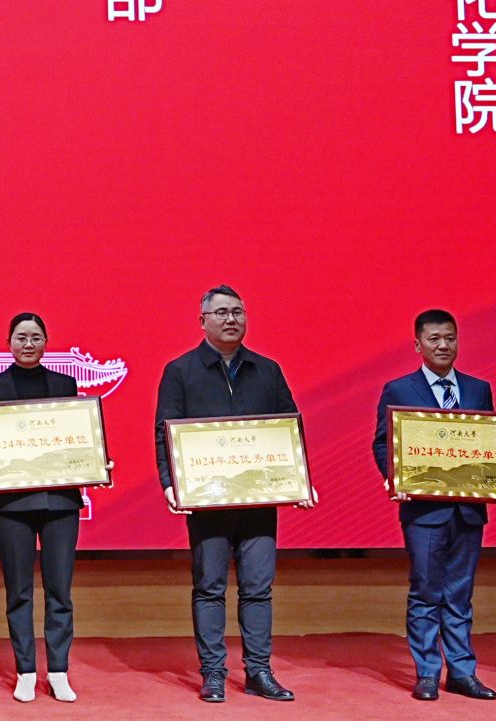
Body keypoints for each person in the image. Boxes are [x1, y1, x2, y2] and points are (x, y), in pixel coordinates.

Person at [154, 284, 316, 704]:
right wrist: (170, 482)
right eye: (222, 312)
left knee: (258, 588)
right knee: (209, 587)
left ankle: (259, 671)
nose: (232, 319)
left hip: (258, 501)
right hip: (207, 499)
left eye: (238, 312)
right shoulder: (181, 371)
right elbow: (164, 432)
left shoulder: (267, 370)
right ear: (202, 321)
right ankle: (212, 674)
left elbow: (288, 428)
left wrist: (300, 479)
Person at [371, 309, 496, 702]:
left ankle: (463, 672)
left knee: (460, 594)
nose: (443, 345)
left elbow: (491, 443)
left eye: (450, 338)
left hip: (468, 510)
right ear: (418, 344)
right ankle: (428, 673)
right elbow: (383, 443)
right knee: (425, 591)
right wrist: (394, 478)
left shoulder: (478, 389)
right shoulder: (399, 389)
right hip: (423, 511)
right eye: (434, 339)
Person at [0, 312, 88, 703]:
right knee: (18, 591)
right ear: (9, 343)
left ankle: (59, 670)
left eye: (35, 337)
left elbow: (80, 436)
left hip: (60, 502)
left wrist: (95, 460)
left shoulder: (64, 384)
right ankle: (25, 670)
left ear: (46, 342)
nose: (28, 344)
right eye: (21, 337)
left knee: (59, 590)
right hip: (12, 504)